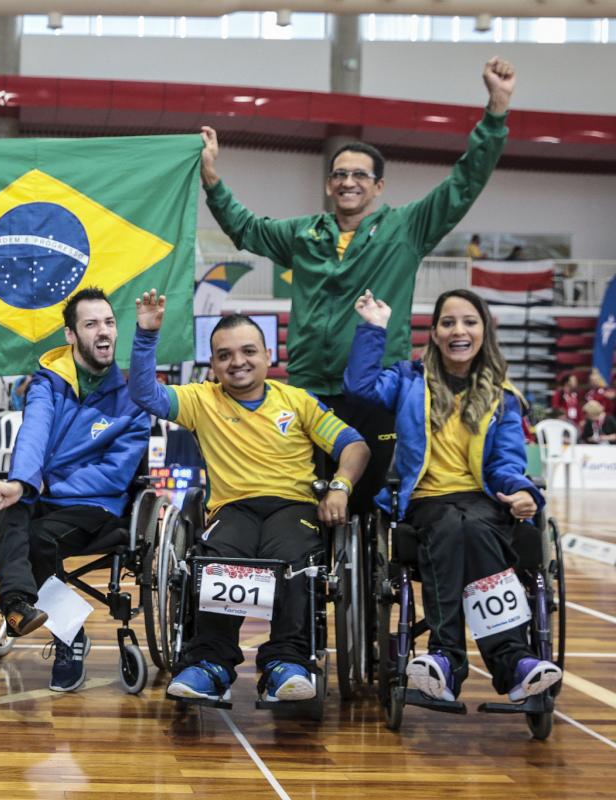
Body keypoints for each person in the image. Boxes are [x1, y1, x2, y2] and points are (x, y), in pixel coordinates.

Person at [198, 58, 516, 519]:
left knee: (367, 505)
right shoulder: (304, 234)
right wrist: (211, 178)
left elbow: (464, 183)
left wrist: (497, 110)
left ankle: (368, 587)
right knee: (306, 499)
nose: (348, 182)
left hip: (374, 389)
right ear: (329, 185)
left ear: (379, 186)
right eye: (339, 175)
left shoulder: (406, 229)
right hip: (308, 388)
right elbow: (246, 229)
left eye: (359, 175)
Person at [129, 290, 369, 703]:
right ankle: (211, 664)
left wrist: (341, 486)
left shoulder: (297, 400)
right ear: (213, 364)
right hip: (232, 507)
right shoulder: (201, 400)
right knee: (219, 558)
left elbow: (354, 446)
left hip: (293, 506)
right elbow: (145, 395)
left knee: (294, 561)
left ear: (268, 353)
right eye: (224, 355)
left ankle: (286, 662)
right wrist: (147, 336)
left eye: (247, 351)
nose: (236, 362)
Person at [346, 288, 561, 705]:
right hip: (426, 501)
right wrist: (372, 328)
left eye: (469, 322)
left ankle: (494, 660)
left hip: (482, 501)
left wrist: (520, 492)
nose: (458, 330)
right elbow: (360, 387)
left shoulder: (503, 396)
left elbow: (506, 464)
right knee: (453, 524)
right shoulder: (410, 380)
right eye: (448, 322)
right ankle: (466, 659)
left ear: (484, 331)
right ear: (435, 333)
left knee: (475, 525)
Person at [0, 288, 151, 693]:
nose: (104, 331)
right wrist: (22, 482)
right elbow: (34, 433)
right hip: (44, 496)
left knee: (39, 537)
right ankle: (19, 607)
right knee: (12, 509)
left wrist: (47, 482)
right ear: (71, 335)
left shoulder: (134, 398)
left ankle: (67, 639)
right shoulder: (48, 383)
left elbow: (113, 474)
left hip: (97, 506)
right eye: (91, 324)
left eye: (109, 322)